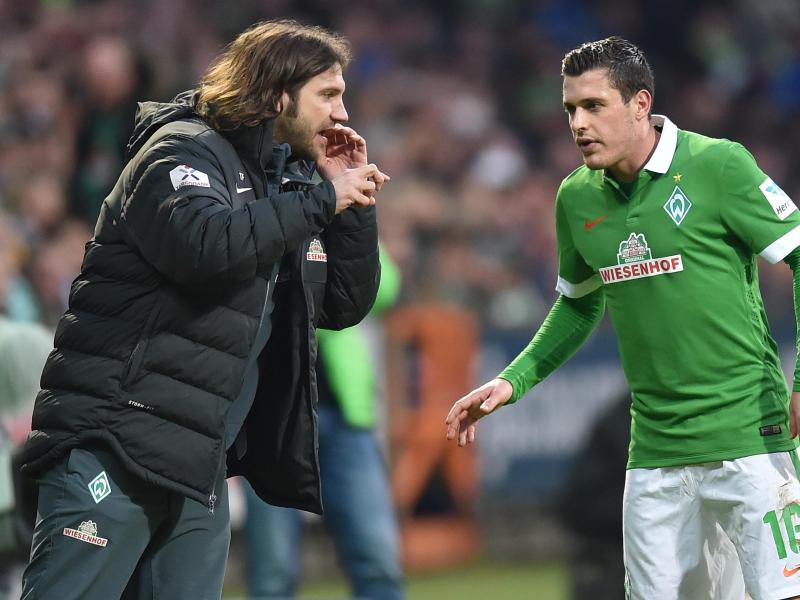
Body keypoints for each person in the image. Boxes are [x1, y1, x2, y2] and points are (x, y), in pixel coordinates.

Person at [19, 19, 388, 600]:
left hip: (197, 465)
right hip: (116, 443)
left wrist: (352, 205)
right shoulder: (179, 150)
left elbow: (342, 303)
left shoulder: (287, 185)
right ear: (276, 94)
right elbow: (208, 246)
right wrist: (323, 199)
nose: (342, 113)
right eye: (329, 95)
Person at [445, 36, 800, 600]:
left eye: (594, 106)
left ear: (640, 104)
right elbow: (579, 302)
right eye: (569, 110)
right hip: (655, 455)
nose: (578, 124)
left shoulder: (719, 165)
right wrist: (512, 379)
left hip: (750, 439)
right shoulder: (576, 199)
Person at [242, 245, 404, 599]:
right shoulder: (253, 199)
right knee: (273, 572)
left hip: (344, 414)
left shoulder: (337, 205)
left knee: (378, 561)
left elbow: (387, 285)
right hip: (270, 419)